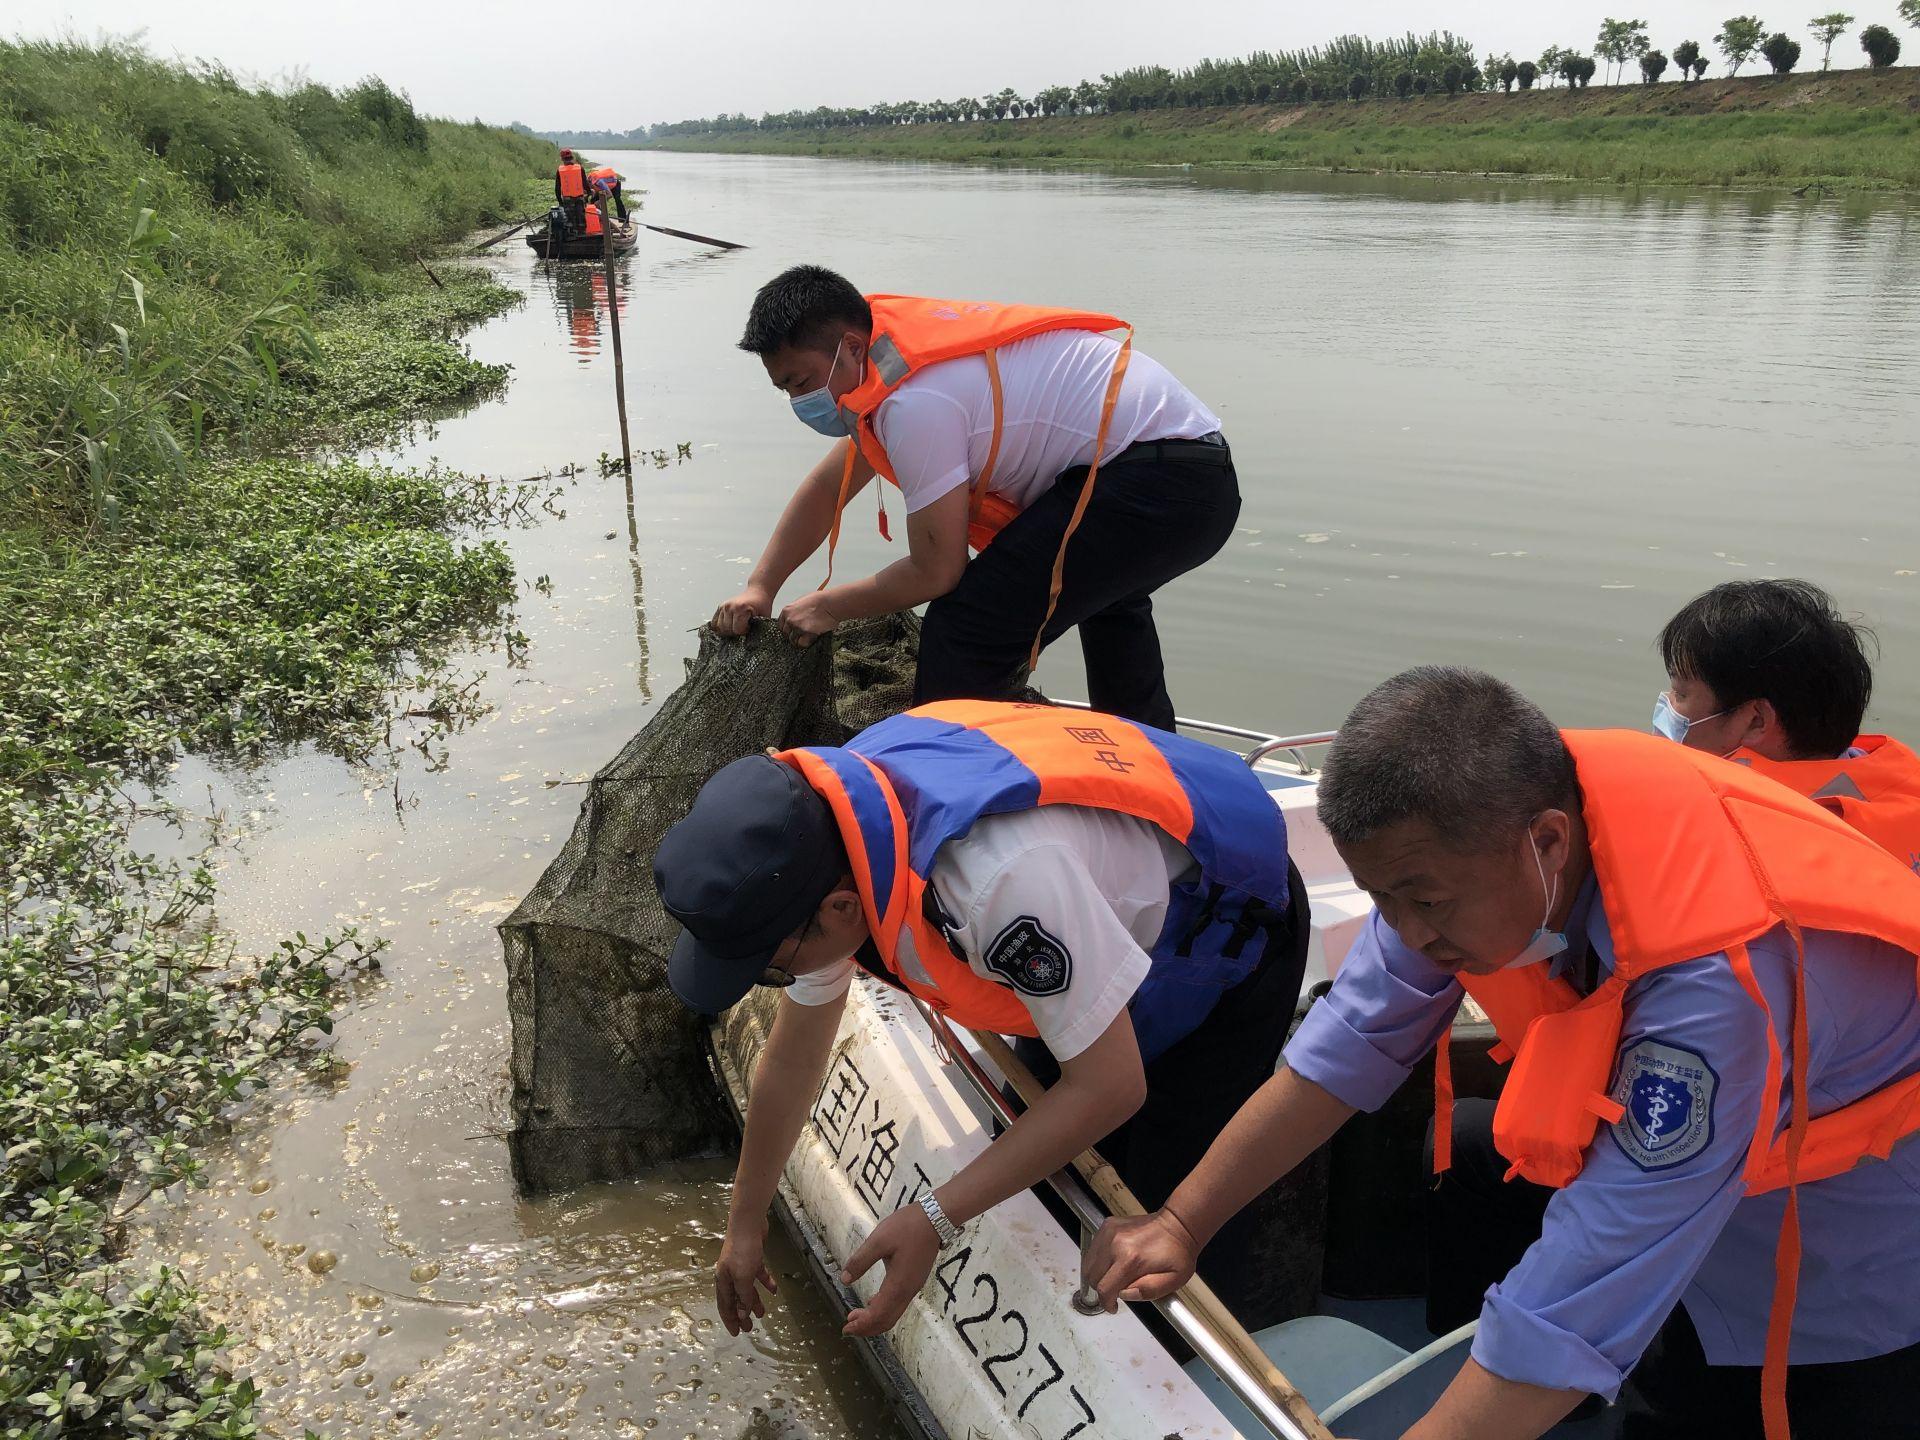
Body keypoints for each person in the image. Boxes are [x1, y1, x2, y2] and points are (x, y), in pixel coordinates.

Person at [1083, 667, 1920, 1440]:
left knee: (1706, 1409)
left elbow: (1586, 1286)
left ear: (1549, 843)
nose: (1406, 931)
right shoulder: (1474, 844)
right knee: (1476, 1164)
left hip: (1826, 1261)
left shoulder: (1722, 986)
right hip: (1697, 1177)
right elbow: (1344, 1046)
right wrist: (1180, 1222)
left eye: (1425, 902)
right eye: (1382, 899)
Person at [653, 699, 1308, 1337]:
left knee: (1160, 1211)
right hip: (1086, 912)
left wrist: (935, 1216)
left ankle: (1188, 1368)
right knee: (1041, 1161)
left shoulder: (994, 885)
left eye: (772, 967)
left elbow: (1111, 1087)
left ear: (842, 911)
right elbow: (794, 1057)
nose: (783, 980)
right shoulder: (826, 844)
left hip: (1223, 928)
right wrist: (745, 1221)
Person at [711, 265, 1241, 732]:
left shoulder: (916, 402)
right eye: (785, 389)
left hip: (1161, 481)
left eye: (802, 381)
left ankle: (952, 808)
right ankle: (1152, 772)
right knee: (1109, 607)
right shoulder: (885, 369)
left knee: (965, 629)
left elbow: (937, 572)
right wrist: (762, 586)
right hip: (1190, 475)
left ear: (850, 345)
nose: (799, 400)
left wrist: (828, 606)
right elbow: (828, 489)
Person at [1656, 577, 1920, 870]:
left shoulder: (1745, 847)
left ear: (1756, 721)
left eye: (1681, 694)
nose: (1667, 704)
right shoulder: (1900, 792)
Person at [554, 147, 588, 235]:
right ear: (572, 157)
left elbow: (557, 188)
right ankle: (582, 233)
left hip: (567, 199)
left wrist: (560, 201)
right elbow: (585, 183)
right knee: (580, 215)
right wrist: (589, 193)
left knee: (570, 218)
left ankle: (572, 234)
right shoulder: (580, 168)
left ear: (562, 159)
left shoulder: (560, 170)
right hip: (579, 197)